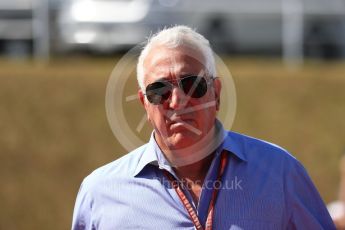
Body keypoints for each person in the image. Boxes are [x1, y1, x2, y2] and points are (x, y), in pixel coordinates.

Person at [72, 25, 335, 229]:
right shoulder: (100, 192)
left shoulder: (281, 174)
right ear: (144, 103)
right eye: (159, 90)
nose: (177, 101)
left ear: (216, 93)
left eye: (192, 84)